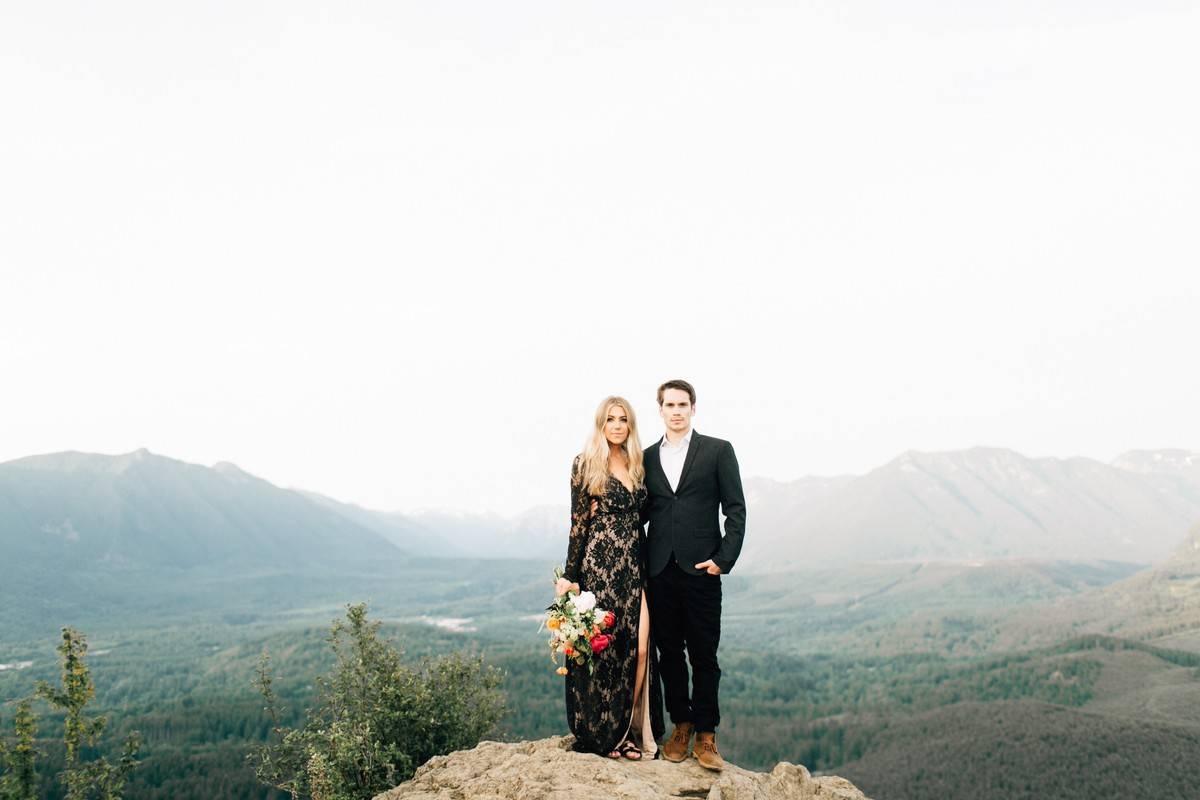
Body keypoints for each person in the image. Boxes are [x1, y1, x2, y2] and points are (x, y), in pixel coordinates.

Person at [642, 379, 746, 771]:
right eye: (670, 404)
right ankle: (680, 726)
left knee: (704, 654)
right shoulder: (647, 457)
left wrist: (723, 558)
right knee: (669, 653)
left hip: (703, 570)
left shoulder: (718, 451)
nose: (677, 411)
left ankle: (706, 735)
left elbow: (736, 509)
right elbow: (641, 514)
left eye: (683, 404)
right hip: (659, 571)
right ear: (661, 409)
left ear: (693, 408)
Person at [558, 396, 664, 759]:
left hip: (636, 566)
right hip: (599, 568)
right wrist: (570, 577)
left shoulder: (637, 463)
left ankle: (630, 730)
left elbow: (648, 513)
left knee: (639, 649)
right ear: (600, 423)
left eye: (623, 420)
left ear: (630, 425)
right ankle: (605, 735)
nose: (617, 425)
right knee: (604, 653)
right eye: (610, 419)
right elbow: (578, 524)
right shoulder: (585, 464)